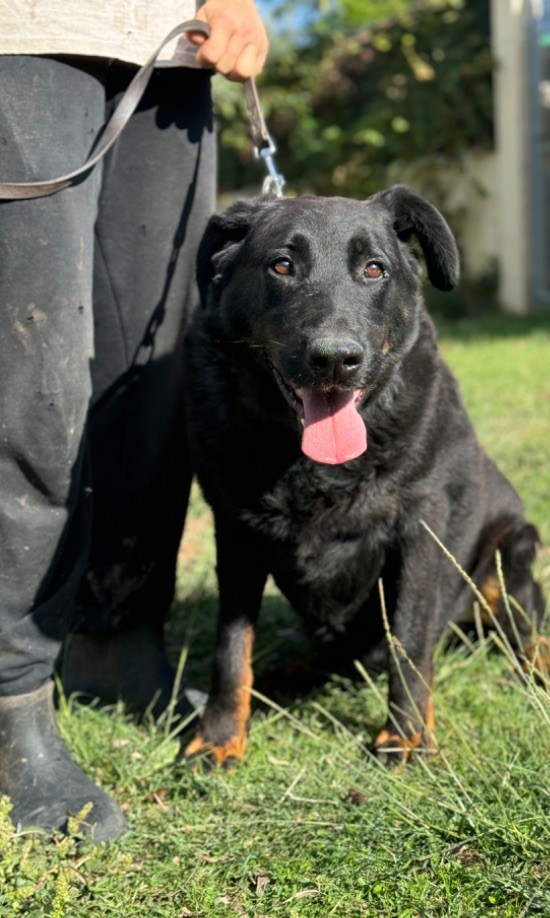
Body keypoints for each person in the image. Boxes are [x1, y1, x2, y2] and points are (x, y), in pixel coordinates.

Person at [0, 1, 269, 841]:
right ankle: (10, 700)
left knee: (155, 379)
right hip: (23, 39)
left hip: (171, 49)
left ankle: (117, 639)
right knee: (33, 384)